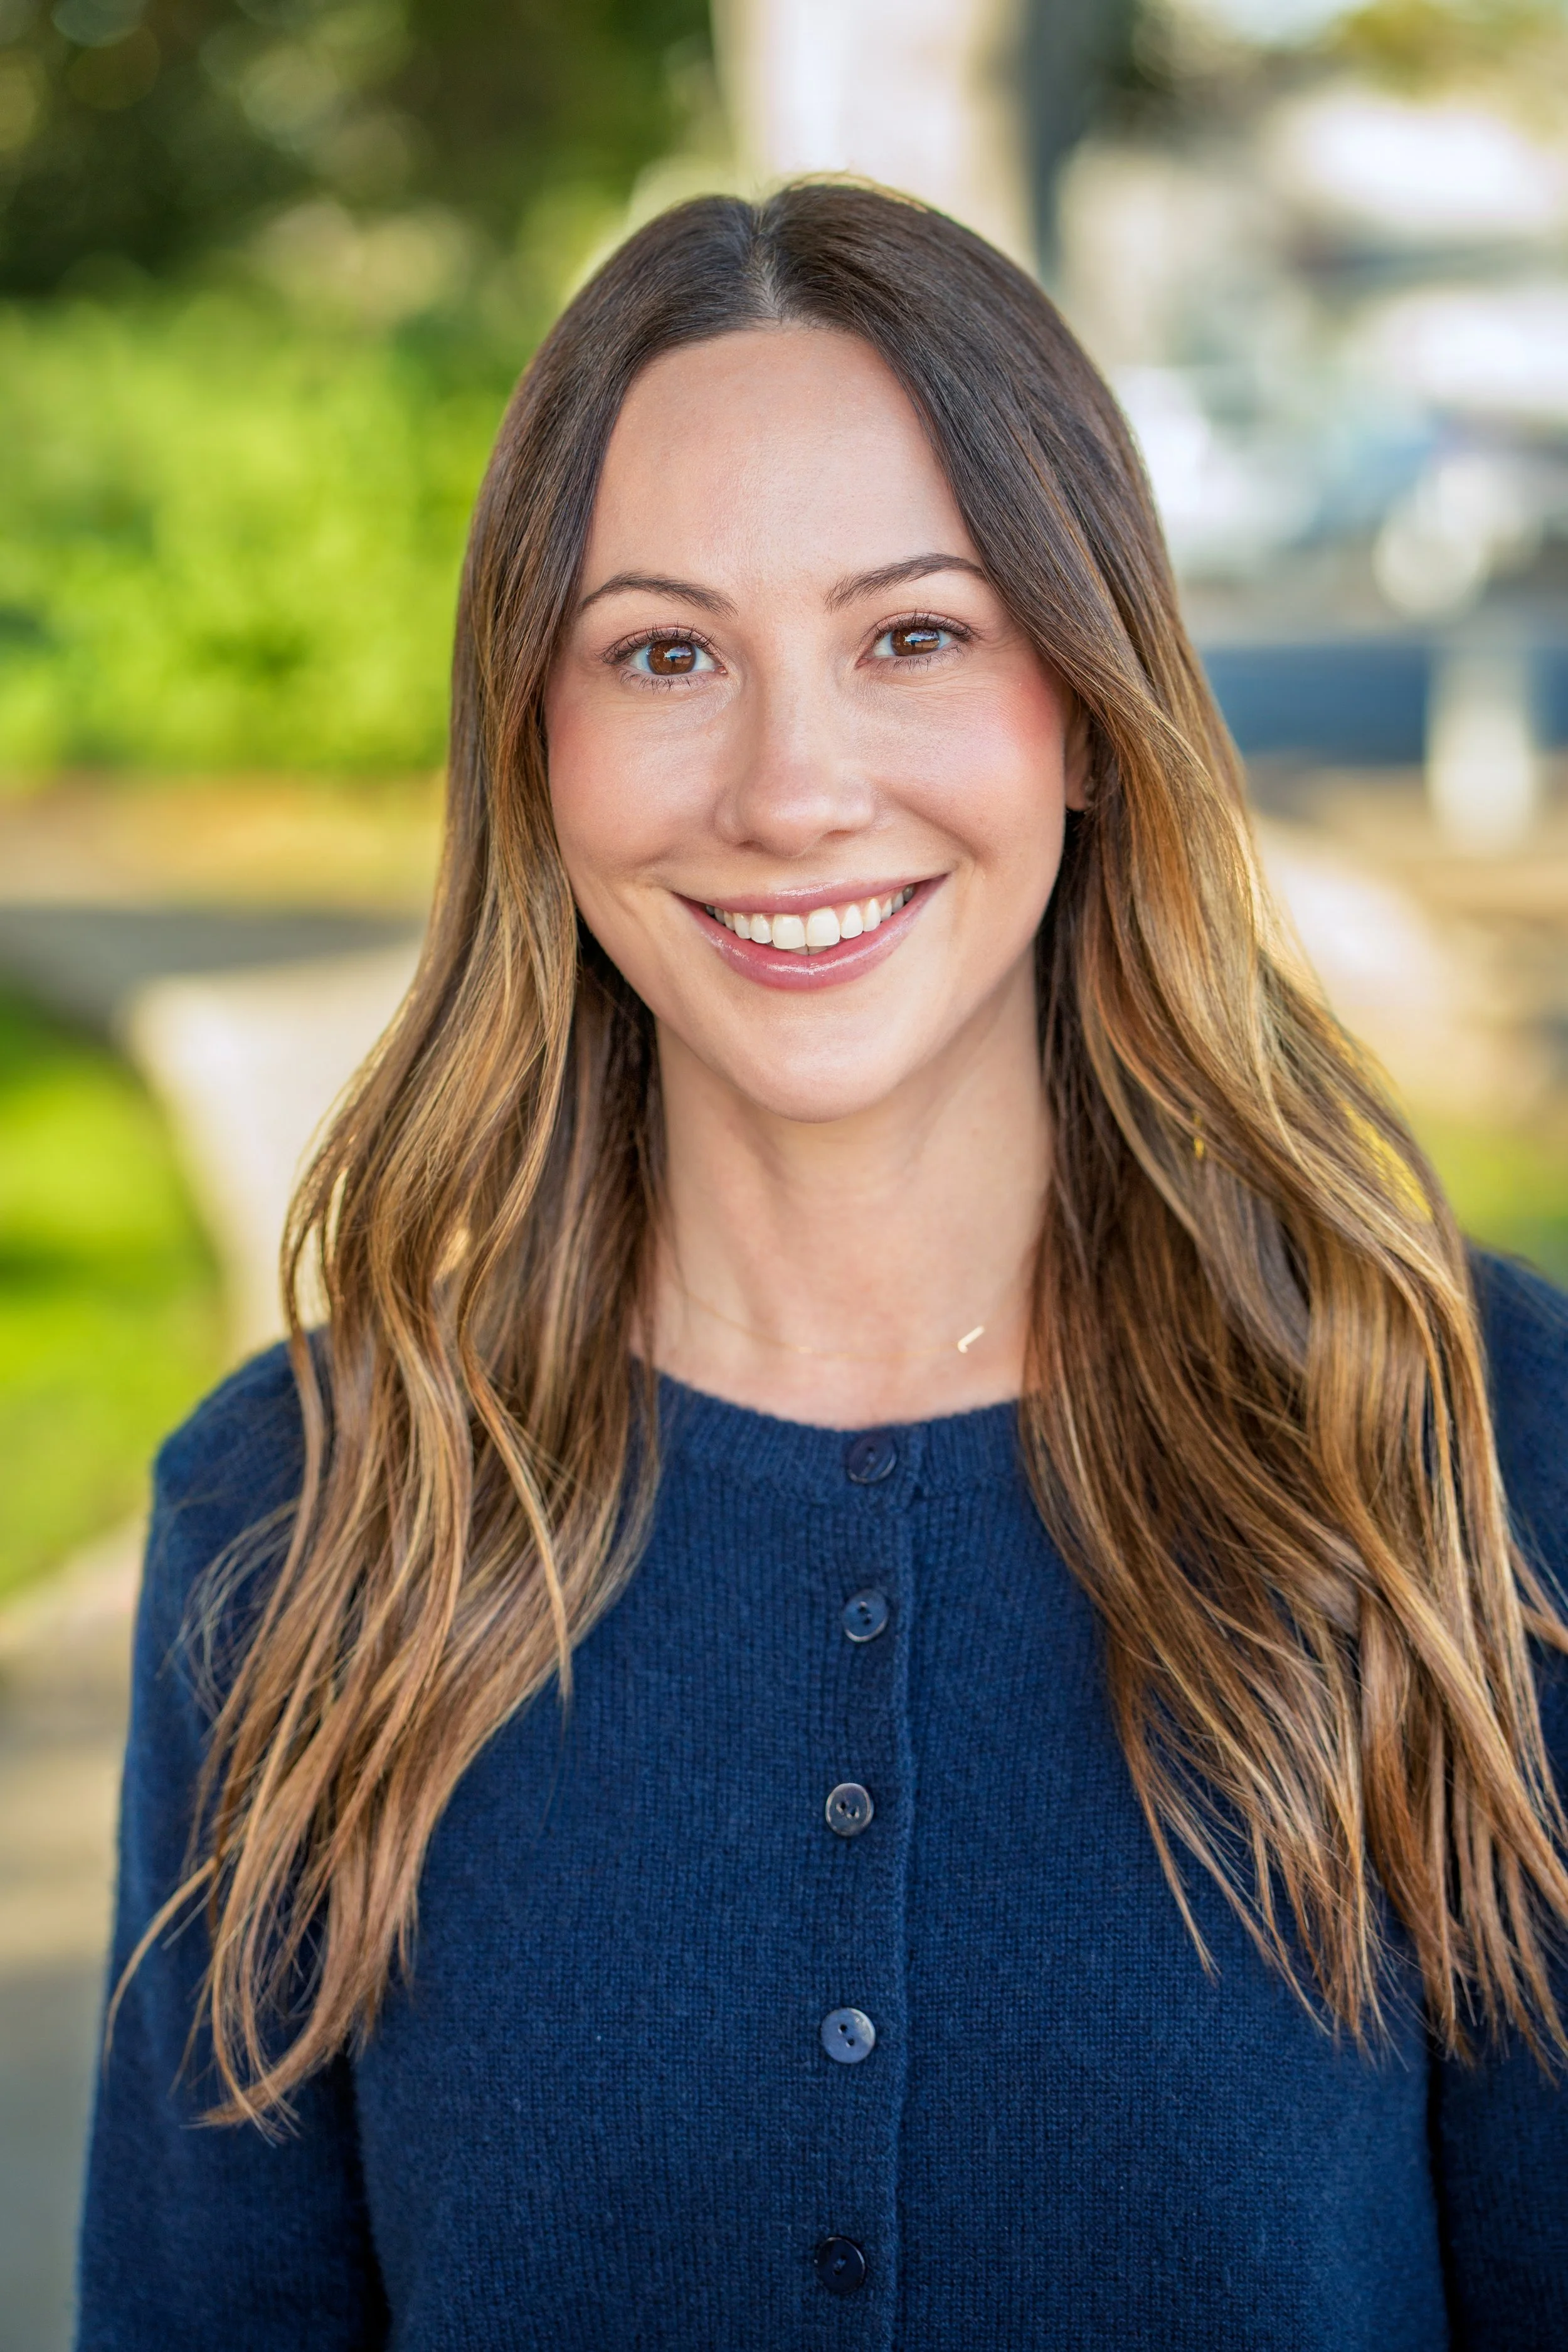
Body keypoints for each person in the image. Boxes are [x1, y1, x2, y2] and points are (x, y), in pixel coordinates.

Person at [78, 184, 1568, 2349]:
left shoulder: (1465, 1451)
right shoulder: (301, 1517)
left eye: (914, 634)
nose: (790, 789)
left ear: (1085, 699)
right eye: (665, 652)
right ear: (538, 745)